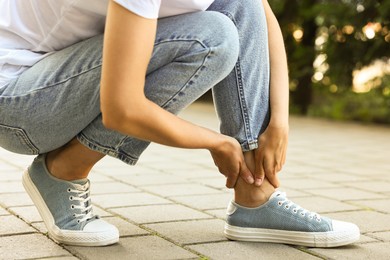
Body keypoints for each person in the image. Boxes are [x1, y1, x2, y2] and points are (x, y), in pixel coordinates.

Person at [0, 0, 360, 247]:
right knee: (210, 38)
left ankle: (255, 194)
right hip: (19, 102)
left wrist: (279, 122)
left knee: (237, 6)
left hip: (62, 73)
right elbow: (122, 107)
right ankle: (63, 171)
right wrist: (215, 142)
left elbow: (261, 19)